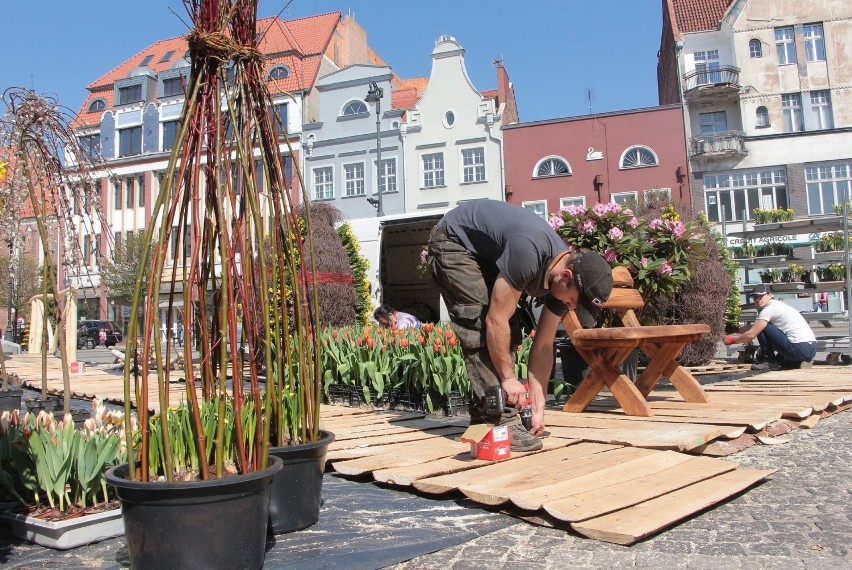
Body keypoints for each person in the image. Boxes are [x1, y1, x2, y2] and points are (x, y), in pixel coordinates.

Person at [427, 200, 613, 452]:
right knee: (481, 322)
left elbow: (544, 346)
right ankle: (499, 420)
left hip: (486, 253)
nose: (571, 308)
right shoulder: (529, 253)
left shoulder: (558, 281)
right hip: (453, 241)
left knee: (508, 332)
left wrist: (538, 409)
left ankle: (485, 414)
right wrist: (507, 378)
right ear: (567, 277)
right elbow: (494, 320)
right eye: (574, 302)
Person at [724, 284, 817, 370]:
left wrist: (732, 340)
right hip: (811, 349)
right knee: (781, 362)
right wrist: (735, 329)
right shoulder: (778, 305)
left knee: (764, 328)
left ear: (770, 295)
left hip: (798, 348)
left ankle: (769, 362)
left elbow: (752, 334)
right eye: (755, 297)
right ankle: (800, 363)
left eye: (761, 296)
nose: (758, 299)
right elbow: (756, 326)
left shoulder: (768, 310)